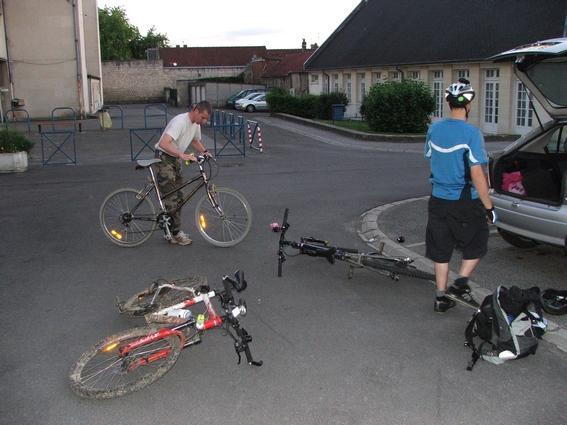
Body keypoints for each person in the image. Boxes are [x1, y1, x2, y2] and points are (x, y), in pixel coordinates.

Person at [424, 78, 498, 313]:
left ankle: (440, 297)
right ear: (469, 103)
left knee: (441, 247)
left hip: (438, 198)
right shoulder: (472, 133)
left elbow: (431, 158)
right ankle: (460, 283)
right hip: (464, 199)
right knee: (477, 242)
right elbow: (477, 173)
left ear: (447, 102)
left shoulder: (434, 129)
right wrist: (488, 206)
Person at [154, 100, 212, 245]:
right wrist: (182, 154)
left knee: (179, 196)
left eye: (206, 119)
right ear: (196, 110)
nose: (203, 121)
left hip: (175, 158)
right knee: (171, 196)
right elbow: (163, 143)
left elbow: (195, 141)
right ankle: (174, 233)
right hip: (164, 158)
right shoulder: (180, 122)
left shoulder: (195, 124)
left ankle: (172, 229)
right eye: (203, 117)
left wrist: (205, 152)